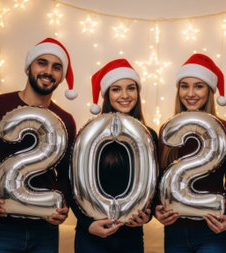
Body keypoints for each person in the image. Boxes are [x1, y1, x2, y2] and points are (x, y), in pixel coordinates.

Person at [0, 37, 78, 253]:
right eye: (42, 63)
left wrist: (63, 206)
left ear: (62, 76)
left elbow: (66, 174)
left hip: (44, 231)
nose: (48, 71)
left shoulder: (64, 120)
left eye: (56, 67)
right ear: (29, 67)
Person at [154, 53, 226, 253]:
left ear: (210, 90)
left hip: (213, 230)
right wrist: (159, 208)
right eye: (184, 86)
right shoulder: (167, 130)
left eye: (199, 86)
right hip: (175, 232)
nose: (190, 93)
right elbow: (159, 179)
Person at [71, 58, 158, 253]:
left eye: (131, 88)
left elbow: (155, 184)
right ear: (107, 94)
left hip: (131, 237)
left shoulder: (149, 136)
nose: (125, 95)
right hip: (91, 236)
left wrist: (147, 215)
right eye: (116, 89)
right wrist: (86, 224)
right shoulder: (89, 135)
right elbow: (73, 185)